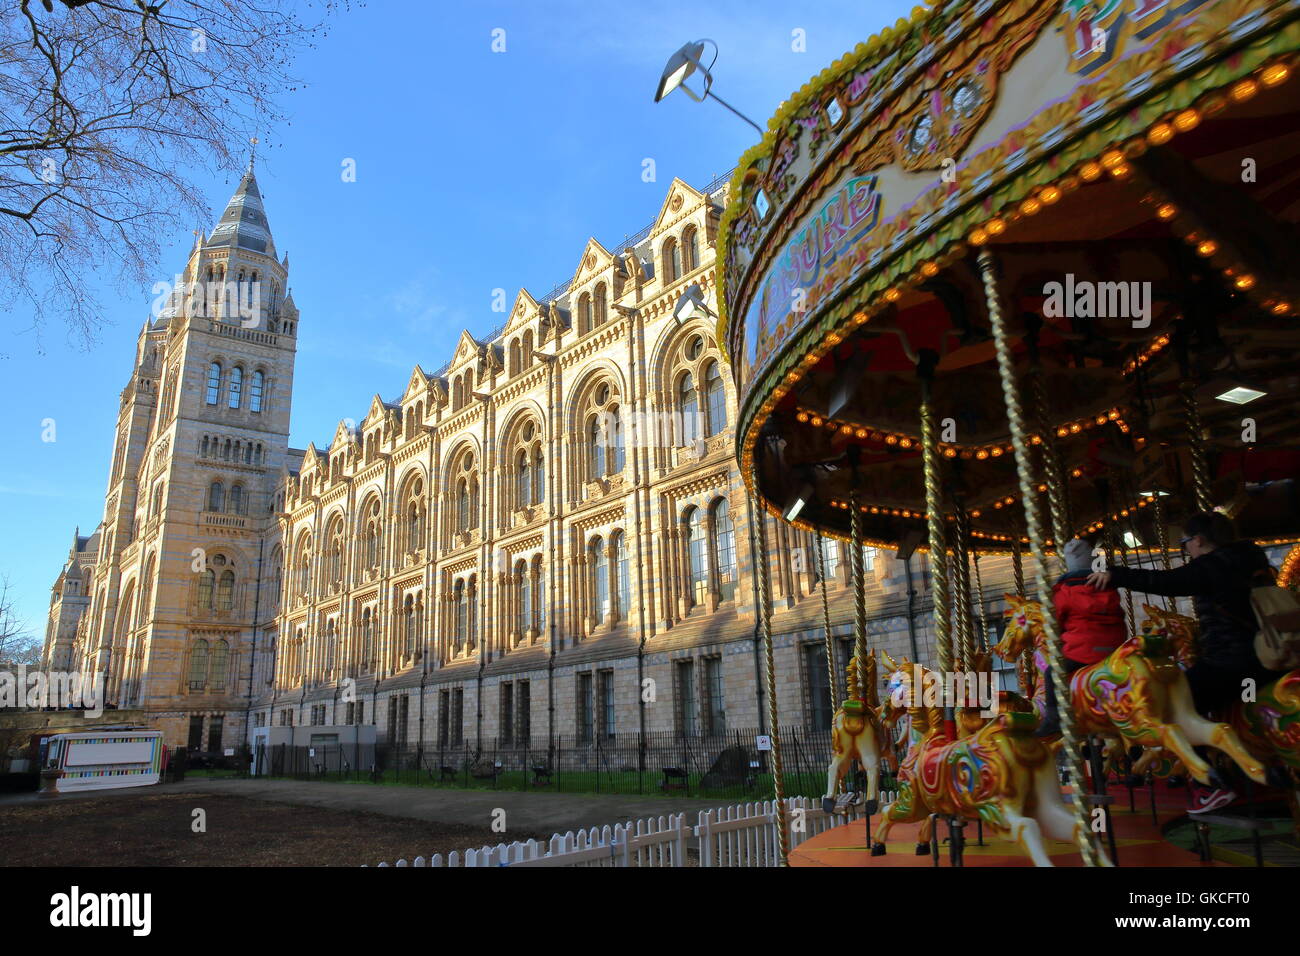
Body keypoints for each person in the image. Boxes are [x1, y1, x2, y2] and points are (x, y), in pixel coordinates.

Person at [1087, 510, 1282, 813]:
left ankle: (1208, 786)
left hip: (1232, 661)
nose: (1186, 548)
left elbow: (1169, 582)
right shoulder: (1252, 558)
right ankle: (1262, 766)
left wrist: (1116, 574)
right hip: (1268, 657)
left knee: (1171, 707)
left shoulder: (1215, 565)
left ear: (1200, 540)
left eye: (1186, 542)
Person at [1036, 537, 1127, 737]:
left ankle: (1053, 718)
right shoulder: (1108, 588)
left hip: (1083, 653)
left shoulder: (1065, 591)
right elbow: (1120, 616)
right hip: (1114, 651)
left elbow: (1054, 623)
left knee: (1052, 673)